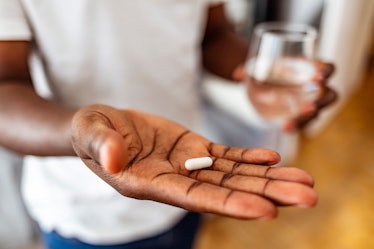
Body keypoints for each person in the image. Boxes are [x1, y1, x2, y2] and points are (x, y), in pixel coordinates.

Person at [0, 1, 336, 249]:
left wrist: (266, 72)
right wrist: (79, 132)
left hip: (187, 179)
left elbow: (212, 36)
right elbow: (5, 88)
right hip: (87, 211)